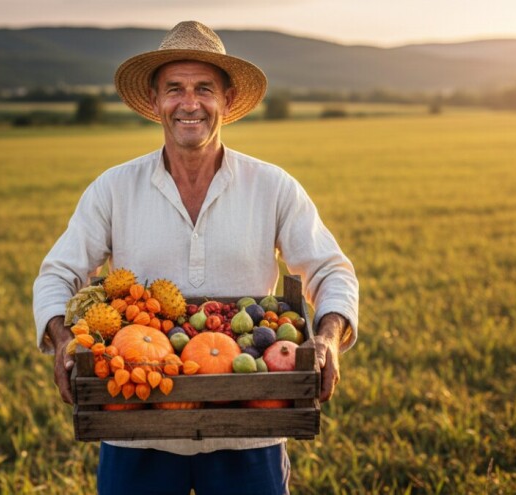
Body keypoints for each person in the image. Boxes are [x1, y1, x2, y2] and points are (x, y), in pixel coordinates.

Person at [33, 20, 359, 495]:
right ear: (155, 101)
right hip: (136, 424)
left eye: (204, 88)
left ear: (227, 99)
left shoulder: (272, 187)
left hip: (249, 430)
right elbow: (57, 275)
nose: (189, 103)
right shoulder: (114, 188)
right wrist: (63, 339)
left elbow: (331, 271)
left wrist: (327, 338)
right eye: (175, 89)